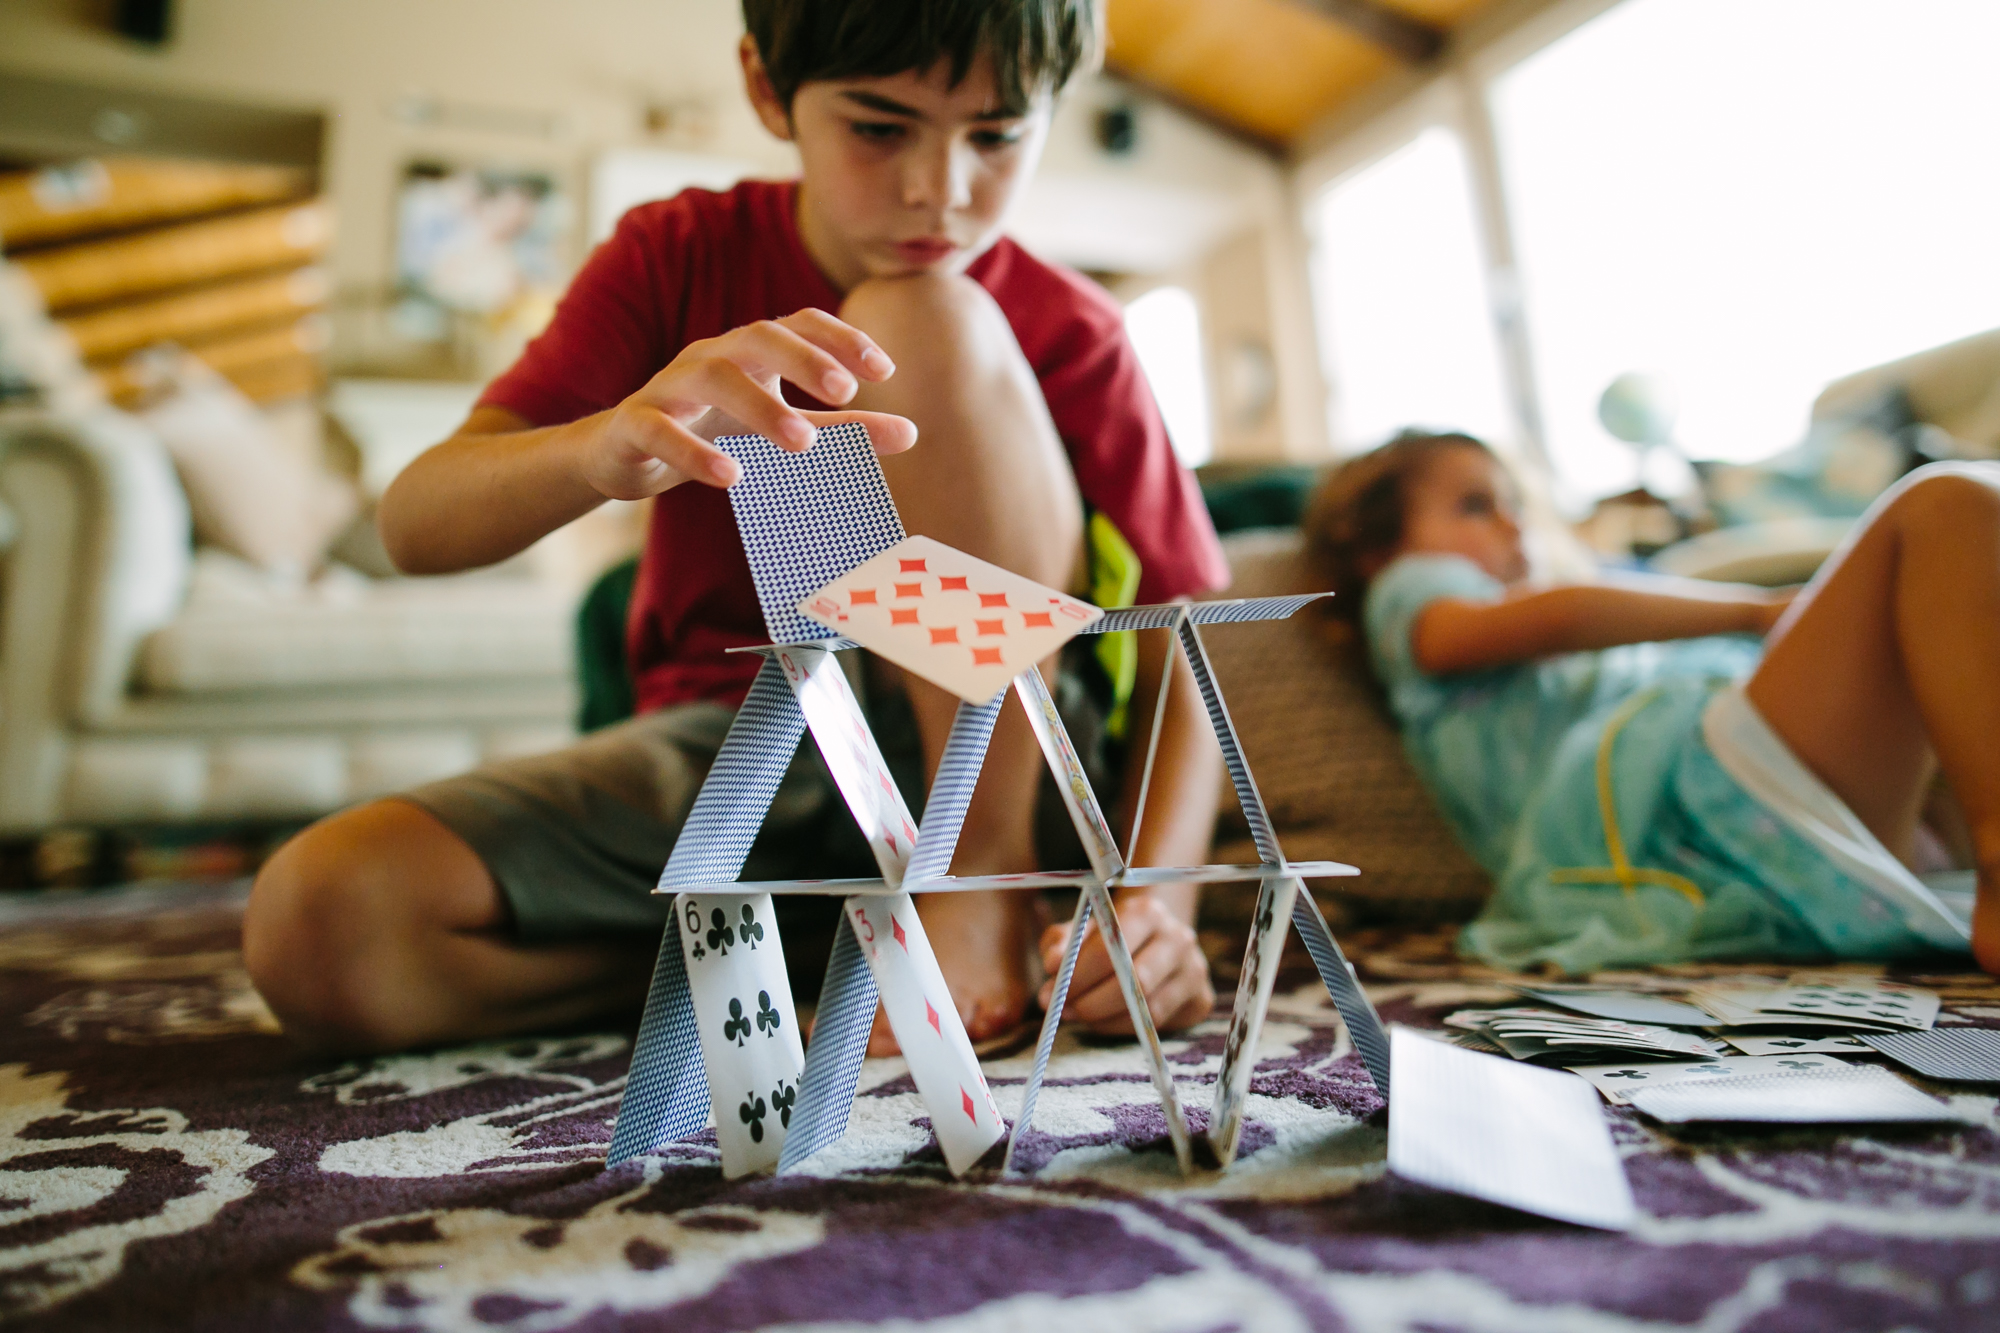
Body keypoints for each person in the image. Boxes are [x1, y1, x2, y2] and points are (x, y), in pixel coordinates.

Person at [244, 0, 1230, 1054]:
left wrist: (1156, 903)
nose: (936, 189)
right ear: (768, 89)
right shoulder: (674, 253)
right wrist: (600, 449)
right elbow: (413, 525)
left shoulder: (1074, 327)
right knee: (322, 920)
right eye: (878, 127)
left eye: (994, 135)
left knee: (917, 312)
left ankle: (978, 889)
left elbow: (1190, 639)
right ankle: (795, 952)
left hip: (1007, 753)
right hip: (741, 745)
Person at [1303, 430, 1998, 976]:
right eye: (1476, 506)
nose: (1514, 527)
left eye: (1515, 506)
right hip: (1686, 817)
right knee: (1945, 507)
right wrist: (1752, 610)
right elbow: (1564, 617)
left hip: (1746, 809)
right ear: (1373, 551)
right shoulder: (1412, 589)